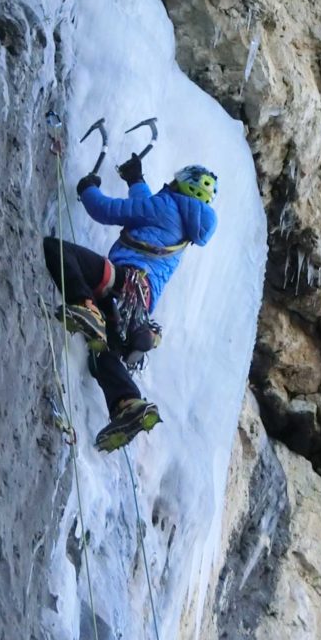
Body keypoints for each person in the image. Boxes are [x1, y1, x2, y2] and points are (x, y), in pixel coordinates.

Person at [43, 152, 218, 452]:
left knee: (57, 250)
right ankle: (127, 402)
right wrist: (136, 179)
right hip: (138, 307)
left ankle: (85, 308)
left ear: (183, 182)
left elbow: (107, 210)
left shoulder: (166, 206)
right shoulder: (185, 224)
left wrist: (87, 188)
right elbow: (147, 212)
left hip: (124, 283)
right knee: (101, 353)